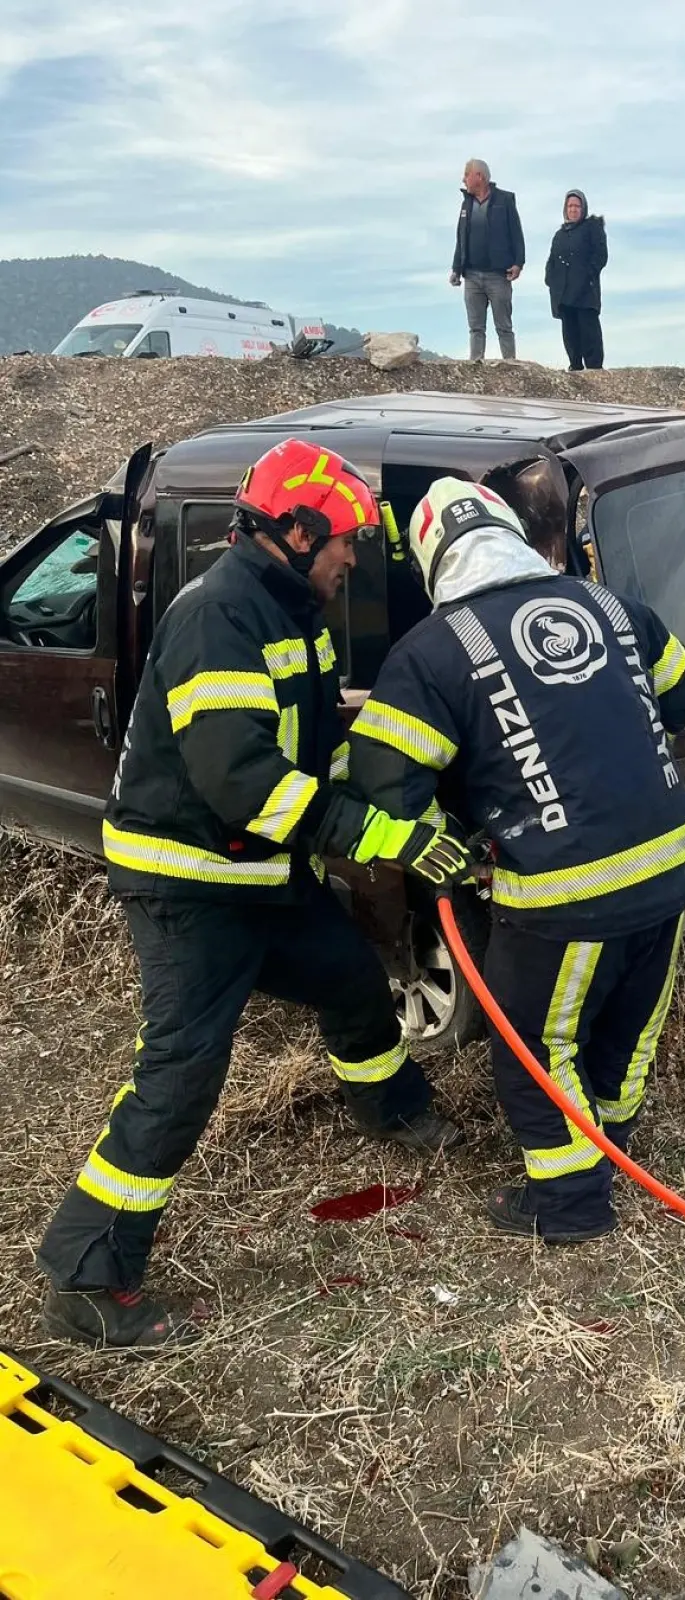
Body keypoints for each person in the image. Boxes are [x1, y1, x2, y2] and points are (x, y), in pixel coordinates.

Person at [37, 439, 470, 1349]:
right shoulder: (218, 620)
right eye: (345, 540)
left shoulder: (292, 612)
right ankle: (84, 1271)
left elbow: (310, 749)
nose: (353, 557)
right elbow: (245, 780)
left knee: (352, 976)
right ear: (296, 530)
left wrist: (397, 778)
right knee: (183, 1074)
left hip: (261, 873)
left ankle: (391, 1108)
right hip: (189, 888)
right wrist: (377, 836)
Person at [348, 477, 685, 1243]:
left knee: (537, 1045)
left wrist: (458, 826)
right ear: (512, 531)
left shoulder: (433, 651)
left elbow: (383, 779)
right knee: (628, 1029)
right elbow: (682, 703)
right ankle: (609, 1153)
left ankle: (572, 1203)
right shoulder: (614, 607)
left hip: (565, 892)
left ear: (430, 562)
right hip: (672, 864)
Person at [450, 159, 525, 361]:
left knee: (504, 326)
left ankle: (510, 366)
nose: (463, 179)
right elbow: (461, 237)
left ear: (479, 177)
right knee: (476, 327)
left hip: (498, 275)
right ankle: (476, 366)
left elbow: (516, 234)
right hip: (472, 275)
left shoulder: (505, 200)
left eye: (467, 174)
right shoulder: (466, 203)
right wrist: (456, 269)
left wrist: (519, 263)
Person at [544, 189, 608, 371]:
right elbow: (552, 260)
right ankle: (575, 366)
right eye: (570, 206)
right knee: (570, 334)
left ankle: (595, 369)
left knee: (589, 331)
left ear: (583, 208)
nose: (573, 209)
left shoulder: (591, 228)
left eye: (577, 206)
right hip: (564, 294)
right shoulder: (560, 235)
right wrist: (550, 279)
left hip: (585, 293)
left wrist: (588, 275)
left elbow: (600, 255)